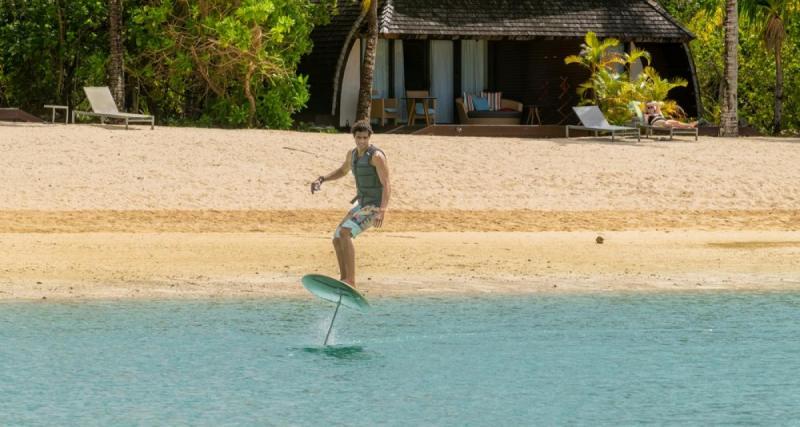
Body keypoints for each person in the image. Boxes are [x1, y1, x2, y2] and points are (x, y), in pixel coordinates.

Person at [310, 120, 390, 287]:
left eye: (365, 138)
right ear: (353, 137)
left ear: (369, 137)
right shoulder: (352, 154)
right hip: (362, 205)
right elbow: (342, 171)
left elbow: (387, 184)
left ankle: (351, 281)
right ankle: (344, 278)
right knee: (337, 237)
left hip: (374, 206)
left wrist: (382, 210)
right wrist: (322, 179)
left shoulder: (376, 156)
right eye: (358, 137)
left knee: (346, 232)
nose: (361, 141)